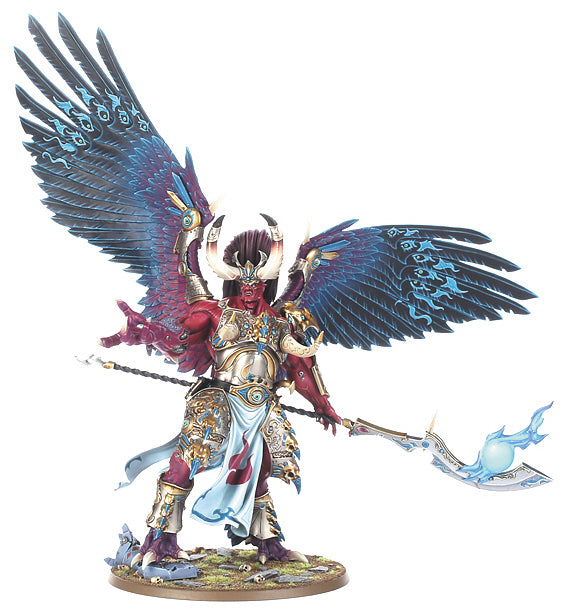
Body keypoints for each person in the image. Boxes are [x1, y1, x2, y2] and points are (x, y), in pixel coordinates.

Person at [100, 216, 341, 567]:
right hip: (219, 398)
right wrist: (149, 333)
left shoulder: (280, 322)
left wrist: (323, 405)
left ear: (265, 283)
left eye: (255, 282)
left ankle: (268, 543)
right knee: (186, 462)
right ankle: (161, 538)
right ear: (234, 281)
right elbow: (179, 343)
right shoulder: (215, 312)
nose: (249, 288)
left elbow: (298, 367)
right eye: (243, 281)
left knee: (261, 468)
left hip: (262, 404)